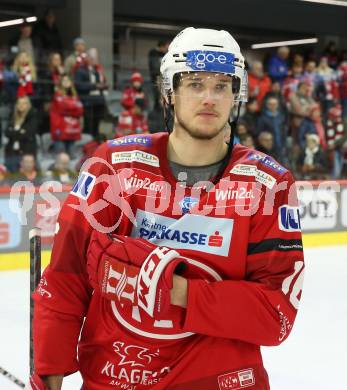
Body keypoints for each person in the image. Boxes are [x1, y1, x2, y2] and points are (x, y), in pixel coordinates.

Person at [31, 27, 304, 390]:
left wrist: (176, 292)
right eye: (194, 84)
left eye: (221, 86)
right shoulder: (114, 165)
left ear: (235, 95)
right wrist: (48, 374)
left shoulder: (268, 183)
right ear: (169, 91)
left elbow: (275, 315)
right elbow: (65, 279)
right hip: (117, 378)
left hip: (218, 381)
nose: (208, 97)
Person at [50, 74, 84, 156]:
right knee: (61, 156)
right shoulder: (57, 96)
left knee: (72, 156)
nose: (66, 82)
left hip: (72, 130)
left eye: (68, 80)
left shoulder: (75, 96)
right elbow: (62, 108)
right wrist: (73, 108)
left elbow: (80, 111)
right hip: (60, 131)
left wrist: (70, 109)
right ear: (60, 83)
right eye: (64, 81)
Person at [4, 95, 38, 173]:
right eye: (19, 103)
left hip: (26, 152)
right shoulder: (12, 116)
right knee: (10, 177)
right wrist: (20, 132)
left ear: (28, 105)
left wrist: (13, 132)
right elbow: (6, 133)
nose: (21, 105)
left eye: (24, 103)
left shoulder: (32, 117)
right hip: (11, 153)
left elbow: (28, 133)